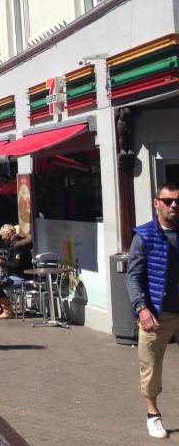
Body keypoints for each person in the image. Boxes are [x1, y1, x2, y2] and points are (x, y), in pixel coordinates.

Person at [127, 183, 179, 439]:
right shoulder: (144, 235)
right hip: (157, 313)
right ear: (156, 203)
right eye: (168, 201)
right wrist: (141, 308)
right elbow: (133, 276)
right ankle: (153, 415)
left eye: (177, 201)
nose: (173, 205)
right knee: (151, 365)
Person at [0, 224, 32, 318]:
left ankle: (8, 311)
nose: (2, 238)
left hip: (22, 277)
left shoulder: (18, 246)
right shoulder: (14, 244)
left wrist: (2, 262)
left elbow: (17, 265)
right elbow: (13, 262)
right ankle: (5, 309)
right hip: (15, 275)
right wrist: (2, 260)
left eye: (3, 235)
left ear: (9, 234)